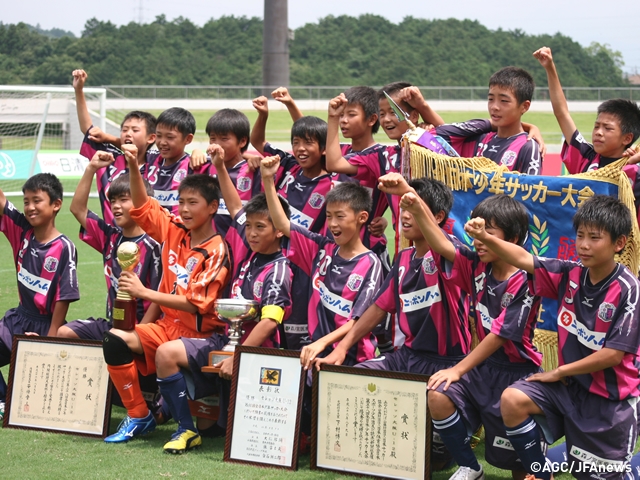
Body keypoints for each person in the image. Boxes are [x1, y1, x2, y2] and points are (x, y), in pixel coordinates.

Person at [308, 174, 472, 470]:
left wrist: (408, 191)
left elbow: (443, 244)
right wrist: (342, 348)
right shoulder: (404, 258)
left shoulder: (449, 251)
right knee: (354, 378)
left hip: (448, 361)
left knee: (438, 421)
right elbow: (378, 308)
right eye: (402, 209)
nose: (404, 217)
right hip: (407, 357)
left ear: (436, 217)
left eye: (413, 209)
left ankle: (460, 457)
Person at [471, 194, 640, 480]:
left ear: (619, 243)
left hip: (609, 402)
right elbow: (525, 258)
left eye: (595, 237)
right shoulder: (570, 274)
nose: (584, 245)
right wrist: (484, 236)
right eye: (580, 235)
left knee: (596, 474)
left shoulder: (629, 290)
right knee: (513, 399)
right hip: (569, 389)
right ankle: (539, 474)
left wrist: (559, 371)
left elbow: (613, 355)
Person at [153, 145, 293, 451]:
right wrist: (217, 164)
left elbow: (270, 322)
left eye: (261, 227)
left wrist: (238, 353)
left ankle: (201, 411)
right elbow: (235, 209)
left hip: (257, 352)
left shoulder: (279, 269)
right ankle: (186, 429)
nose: (252, 233)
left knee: (229, 429)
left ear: (279, 231)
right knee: (166, 353)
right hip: (223, 340)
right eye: (250, 228)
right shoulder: (247, 255)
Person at [400, 191, 542, 480]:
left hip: (516, 373)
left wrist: (458, 368)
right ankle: (470, 465)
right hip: (482, 369)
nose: (478, 240)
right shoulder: (478, 265)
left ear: (513, 238)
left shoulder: (526, 279)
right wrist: (415, 206)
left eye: (488, 232)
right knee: (438, 395)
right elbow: (440, 243)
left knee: (520, 470)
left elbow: (499, 336)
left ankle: (541, 465)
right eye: (476, 231)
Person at [101, 143, 230, 444]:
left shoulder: (217, 250)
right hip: (166, 328)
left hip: (203, 336)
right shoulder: (173, 230)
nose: (184, 209)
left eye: (193, 203)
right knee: (115, 339)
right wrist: (133, 164)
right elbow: (142, 204)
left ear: (212, 207)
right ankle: (138, 415)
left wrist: (144, 291)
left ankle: (186, 429)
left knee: (164, 353)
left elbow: (196, 305)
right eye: (181, 202)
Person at [251, 95, 354, 349]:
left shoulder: (332, 182)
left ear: (323, 149)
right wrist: (264, 115)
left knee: (298, 329)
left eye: (308, 144)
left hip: (305, 265)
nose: (300, 149)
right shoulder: (288, 168)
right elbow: (257, 142)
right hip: (275, 260)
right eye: (295, 143)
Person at [262, 155, 383, 366]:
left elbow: (359, 320)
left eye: (340, 216)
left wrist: (322, 343)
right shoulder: (321, 249)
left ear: (362, 217)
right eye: (328, 216)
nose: (333, 224)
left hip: (352, 360)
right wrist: (267, 180)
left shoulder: (371, 264)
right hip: (316, 354)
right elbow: (282, 224)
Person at [0, 174, 80, 420]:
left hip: (45, 323)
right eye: (26, 201)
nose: (30, 207)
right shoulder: (22, 230)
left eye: (37, 200)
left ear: (56, 204)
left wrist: (51, 338)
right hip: (18, 318)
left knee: (41, 396)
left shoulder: (64, 248)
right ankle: (3, 402)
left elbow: (63, 298)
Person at [59, 154, 162, 339]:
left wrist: (141, 333)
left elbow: (158, 300)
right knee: (65, 332)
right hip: (113, 324)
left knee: (117, 342)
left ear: (141, 202)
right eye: (113, 201)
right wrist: (91, 168)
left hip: (144, 328)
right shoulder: (109, 237)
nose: (116, 206)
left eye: (123, 200)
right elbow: (77, 209)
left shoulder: (155, 245)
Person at [533, 46, 640, 219]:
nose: (598, 132)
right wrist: (550, 68)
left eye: (607, 128)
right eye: (596, 126)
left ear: (627, 138)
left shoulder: (635, 172)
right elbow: (562, 113)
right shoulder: (586, 157)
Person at [72, 69, 157, 225]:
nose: (128, 134)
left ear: (151, 137)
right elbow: (87, 129)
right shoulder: (107, 159)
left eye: (135, 130)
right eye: (124, 130)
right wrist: (79, 90)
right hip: (115, 239)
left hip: (151, 240)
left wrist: (109, 137)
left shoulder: (159, 163)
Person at [325, 86, 390, 271]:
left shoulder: (379, 156)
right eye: (341, 115)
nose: (343, 120)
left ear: (371, 119)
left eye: (351, 115)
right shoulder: (343, 150)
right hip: (335, 248)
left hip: (367, 249)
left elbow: (333, 164)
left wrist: (383, 219)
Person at [434, 67, 543, 175]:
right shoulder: (478, 139)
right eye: (490, 99)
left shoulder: (529, 147)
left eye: (504, 101)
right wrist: (489, 124)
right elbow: (437, 134)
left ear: (524, 106)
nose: (494, 107)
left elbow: (533, 189)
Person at [202, 109, 261, 237]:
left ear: (242, 141)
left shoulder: (255, 170)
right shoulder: (203, 166)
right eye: (212, 139)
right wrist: (196, 152)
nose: (216, 145)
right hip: (211, 247)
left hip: (242, 245)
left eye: (224, 138)